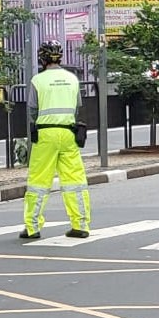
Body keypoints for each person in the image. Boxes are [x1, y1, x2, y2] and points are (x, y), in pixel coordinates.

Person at [20, 41, 91, 240]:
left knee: (38, 182)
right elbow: (77, 106)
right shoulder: (72, 79)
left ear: (41, 58)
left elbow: (32, 110)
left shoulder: (37, 80)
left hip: (45, 134)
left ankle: (32, 228)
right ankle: (80, 225)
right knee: (75, 181)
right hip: (69, 133)